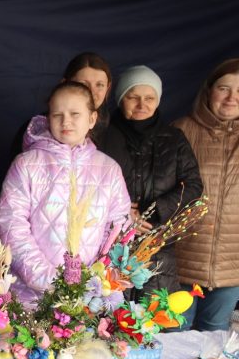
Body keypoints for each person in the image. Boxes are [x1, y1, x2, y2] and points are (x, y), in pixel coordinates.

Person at [0, 81, 131, 306]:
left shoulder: (109, 169)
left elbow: (120, 229)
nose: (65, 121)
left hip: (91, 299)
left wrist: (94, 281)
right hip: (31, 299)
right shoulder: (26, 164)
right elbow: (11, 226)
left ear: (92, 119)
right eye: (57, 115)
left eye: (75, 114)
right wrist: (51, 281)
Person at [93, 65, 202, 295]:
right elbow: (88, 185)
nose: (142, 104)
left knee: (153, 314)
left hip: (157, 254)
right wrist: (124, 214)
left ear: (158, 100)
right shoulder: (103, 137)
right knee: (109, 314)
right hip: (108, 253)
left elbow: (193, 186)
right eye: (133, 97)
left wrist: (152, 211)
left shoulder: (174, 138)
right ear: (120, 99)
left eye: (149, 98)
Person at [173, 58, 239, 332]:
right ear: (209, 90)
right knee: (173, 335)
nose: (232, 97)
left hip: (231, 267)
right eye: (224, 88)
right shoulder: (181, 130)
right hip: (181, 263)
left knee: (214, 342)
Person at [10, 52, 114, 158]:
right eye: (83, 84)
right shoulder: (33, 132)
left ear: (108, 88)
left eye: (99, 85)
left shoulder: (114, 135)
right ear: (64, 84)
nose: (91, 91)